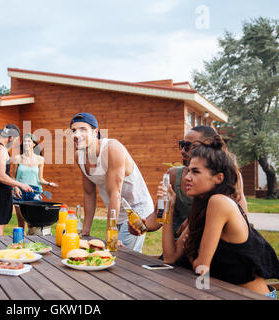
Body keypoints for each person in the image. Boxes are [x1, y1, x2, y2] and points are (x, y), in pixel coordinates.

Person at [161, 135, 279, 298]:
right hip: (224, 294)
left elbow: (201, 266)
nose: (187, 177)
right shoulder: (202, 206)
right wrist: (169, 207)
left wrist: (190, 253)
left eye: (195, 172)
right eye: (188, 170)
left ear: (219, 178)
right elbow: (170, 256)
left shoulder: (219, 203)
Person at [129, 126, 248, 239]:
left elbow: (242, 220)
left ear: (208, 145)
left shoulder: (230, 177)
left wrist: (195, 220)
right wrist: (141, 226)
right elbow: (159, 216)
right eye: (181, 144)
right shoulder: (173, 175)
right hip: (176, 249)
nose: (182, 150)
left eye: (188, 146)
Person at [70, 112, 154, 252]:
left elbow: (115, 193)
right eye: (73, 130)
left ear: (95, 132)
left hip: (137, 211)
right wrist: (86, 230)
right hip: (117, 212)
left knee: (122, 257)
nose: (76, 134)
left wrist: (111, 233)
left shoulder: (112, 149)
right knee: (112, 255)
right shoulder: (79, 156)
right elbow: (89, 193)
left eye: (83, 129)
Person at [0, 124, 33, 235]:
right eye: (15, 140)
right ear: (10, 138)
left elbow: (0, 172)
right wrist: (21, 184)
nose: (14, 143)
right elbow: (1, 176)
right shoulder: (1, 150)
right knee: (0, 225)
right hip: (1, 191)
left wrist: (14, 186)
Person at [12, 133, 59, 229]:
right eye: (24, 141)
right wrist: (16, 188)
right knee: (21, 224)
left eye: (29, 141)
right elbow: (13, 177)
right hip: (20, 191)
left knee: (33, 224)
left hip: (34, 192)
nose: (26, 143)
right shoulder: (17, 158)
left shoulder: (40, 160)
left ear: (34, 144)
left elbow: (40, 179)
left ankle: (31, 243)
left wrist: (49, 183)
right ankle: (20, 243)